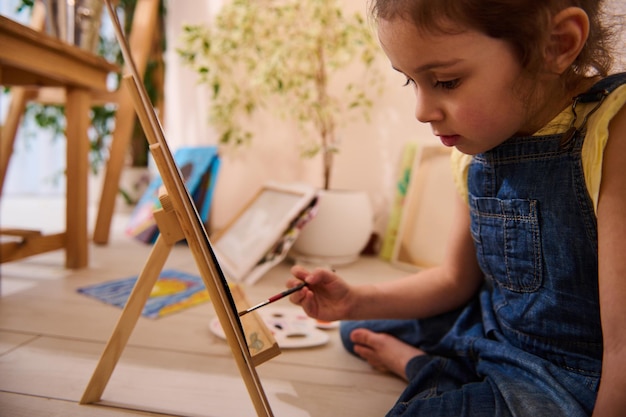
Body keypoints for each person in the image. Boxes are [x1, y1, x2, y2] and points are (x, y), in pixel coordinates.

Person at [287, 1, 626, 416]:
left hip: (571, 374)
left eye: (446, 81)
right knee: (354, 328)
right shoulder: (475, 148)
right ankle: (442, 370)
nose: (422, 111)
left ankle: (425, 369)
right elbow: (453, 281)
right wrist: (353, 300)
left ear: (556, 44)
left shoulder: (613, 131)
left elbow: (623, 344)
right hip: (495, 329)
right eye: (410, 82)